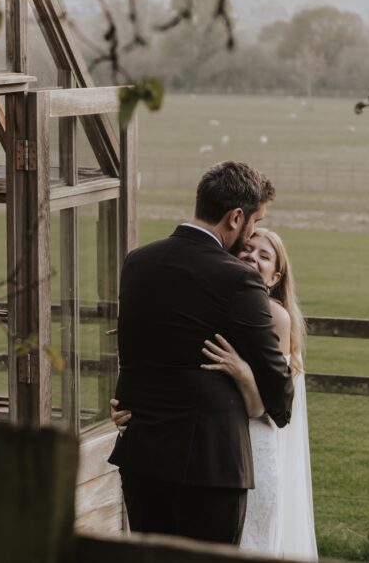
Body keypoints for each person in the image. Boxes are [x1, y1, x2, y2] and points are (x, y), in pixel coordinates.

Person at [107, 161, 294, 545]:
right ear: (235, 217)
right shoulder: (238, 278)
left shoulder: (137, 262)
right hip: (210, 467)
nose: (253, 232)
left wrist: (126, 403)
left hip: (142, 453)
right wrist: (260, 383)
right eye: (255, 222)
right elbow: (278, 386)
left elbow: (135, 350)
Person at [197, 229, 318, 559]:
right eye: (247, 249)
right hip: (221, 437)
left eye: (264, 256)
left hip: (255, 440)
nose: (252, 256)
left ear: (275, 276)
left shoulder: (275, 316)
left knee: (251, 538)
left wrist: (242, 371)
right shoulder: (225, 303)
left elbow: (266, 407)